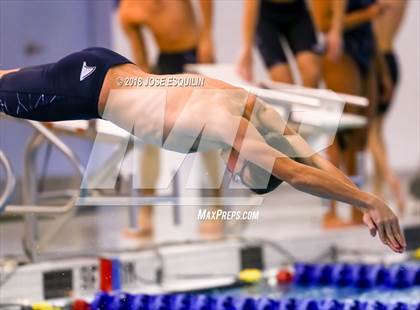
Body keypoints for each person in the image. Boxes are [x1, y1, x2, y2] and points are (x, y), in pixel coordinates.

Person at [0, 47, 406, 253]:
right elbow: (298, 173)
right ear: (252, 162)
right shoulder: (234, 130)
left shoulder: (251, 106)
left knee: (9, 78)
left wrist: (364, 204)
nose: (230, 169)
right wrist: (370, 198)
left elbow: (314, 158)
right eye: (241, 171)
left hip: (109, 64)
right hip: (88, 88)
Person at [117, 0, 222, 238]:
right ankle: (146, 215)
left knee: (206, 136)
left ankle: (216, 206)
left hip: (195, 56)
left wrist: (207, 36)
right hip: (165, 63)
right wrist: (145, 86)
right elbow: (140, 59)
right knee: (149, 138)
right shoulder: (129, 11)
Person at [311, 0, 383, 228]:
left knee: (360, 139)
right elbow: (324, 25)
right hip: (339, 55)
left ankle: (356, 209)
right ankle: (328, 211)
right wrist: (368, 13)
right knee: (338, 136)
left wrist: (382, 69)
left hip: (366, 52)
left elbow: (370, 27)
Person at [236, 0, 339, 87]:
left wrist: (335, 31)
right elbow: (251, 4)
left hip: (297, 11)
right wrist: (247, 47)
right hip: (266, 16)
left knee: (311, 72)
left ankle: (303, 110)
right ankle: (293, 109)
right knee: (282, 79)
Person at [369, 0, 407, 214]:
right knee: (378, 130)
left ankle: (390, 178)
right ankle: (378, 190)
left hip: (377, 62)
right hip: (392, 59)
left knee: (369, 131)